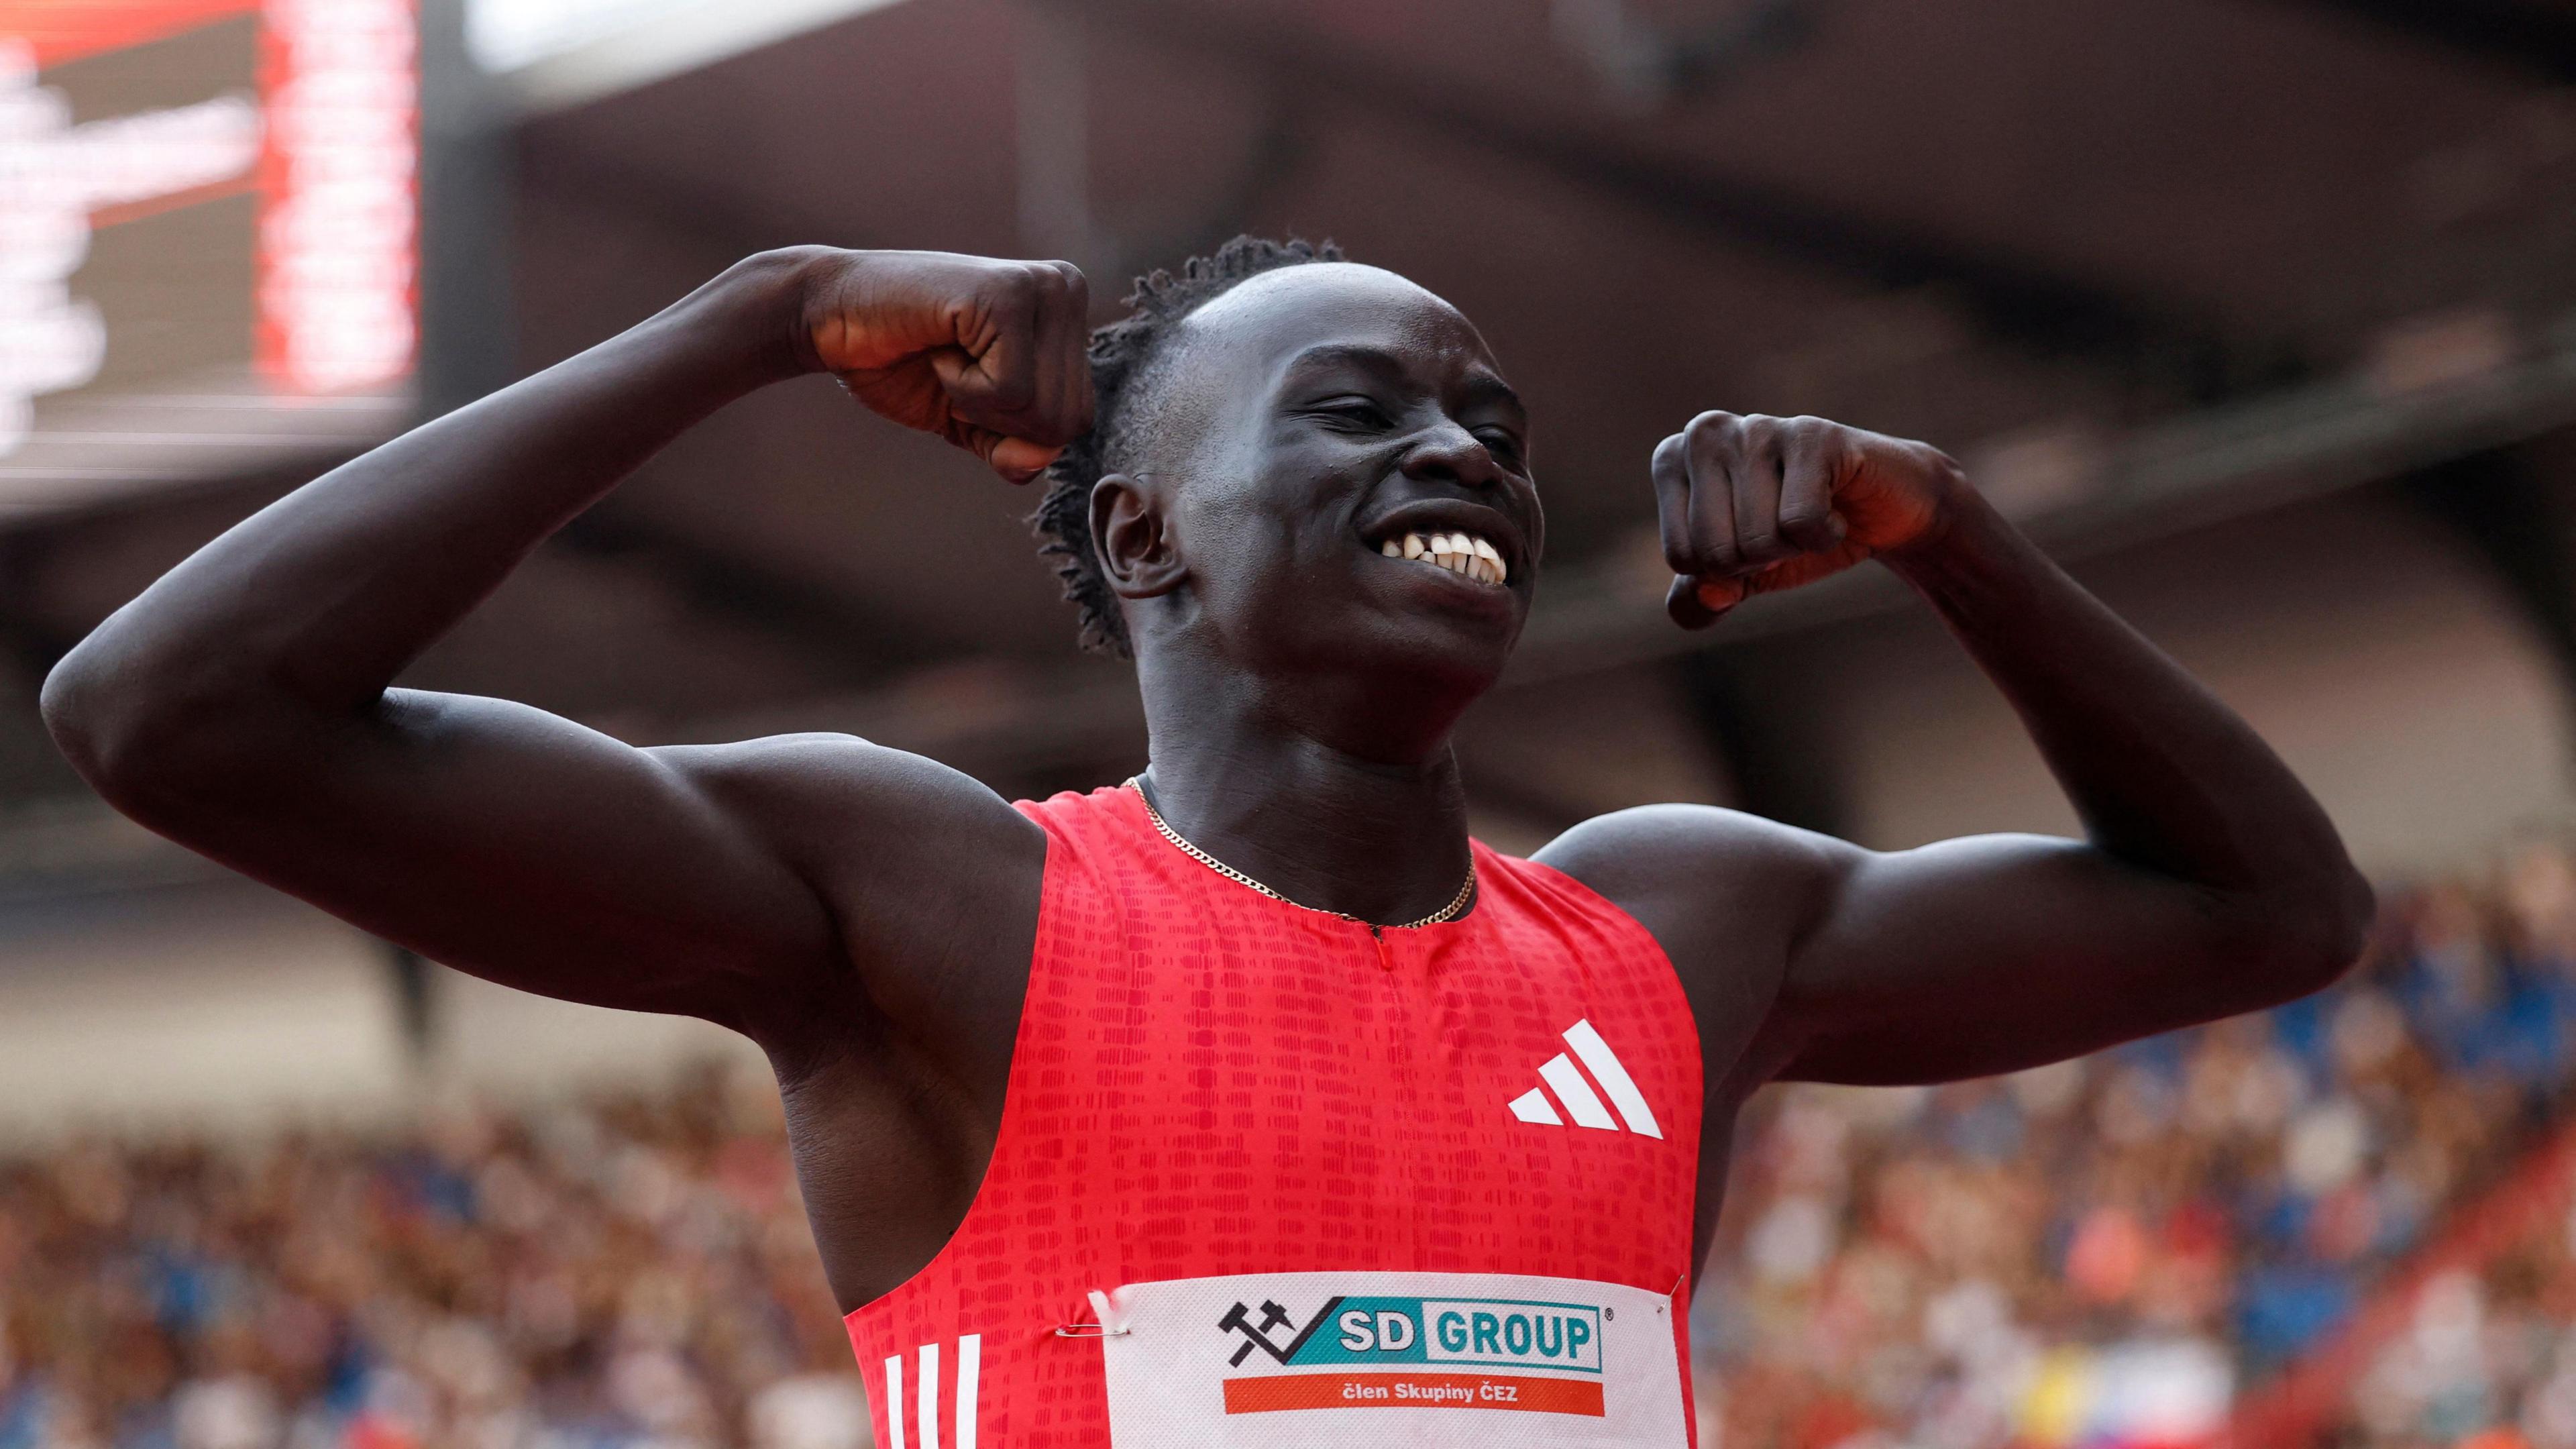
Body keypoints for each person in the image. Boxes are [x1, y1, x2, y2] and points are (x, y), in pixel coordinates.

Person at [42, 236, 2371, 1448]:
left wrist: (1948, 531)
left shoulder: (1686, 928)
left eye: (1490, 419)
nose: (1457, 450)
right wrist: (743, 329)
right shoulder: (937, 904)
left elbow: (2269, 905)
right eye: (1355, 414)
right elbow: (177, 712)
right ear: (1143, 536)